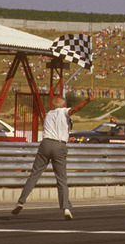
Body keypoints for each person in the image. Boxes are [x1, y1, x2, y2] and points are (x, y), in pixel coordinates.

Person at [12, 92, 93, 220]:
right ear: (64, 105)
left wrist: (67, 137)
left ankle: (21, 201)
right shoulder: (64, 112)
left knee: (34, 174)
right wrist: (88, 100)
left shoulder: (49, 114)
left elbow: (55, 129)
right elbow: (76, 109)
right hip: (59, 147)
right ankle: (65, 207)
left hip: (45, 144)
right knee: (61, 179)